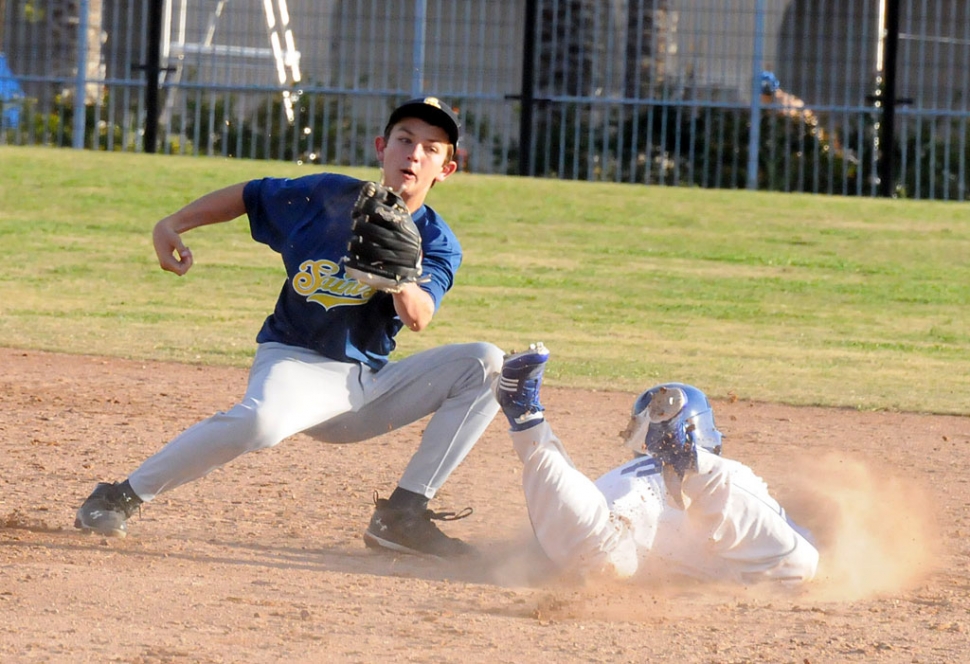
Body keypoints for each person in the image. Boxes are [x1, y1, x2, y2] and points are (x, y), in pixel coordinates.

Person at [74, 96, 505, 558]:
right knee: (261, 420)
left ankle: (403, 516)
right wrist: (173, 223)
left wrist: (397, 276)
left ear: (446, 168)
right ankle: (118, 496)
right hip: (294, 362)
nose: (414, 154)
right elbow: (251, 194)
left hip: (367, 386)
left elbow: (418, 317)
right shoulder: (326, 197)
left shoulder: (437, 241)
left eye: (431, 147)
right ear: (382, 148)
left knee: (487, 364)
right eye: (404, 140)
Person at [494, 342, 819, 584]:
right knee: (800, 564)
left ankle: (528, 419)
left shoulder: (618, 474)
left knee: (587, 539)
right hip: (706, 543)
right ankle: (688, 463)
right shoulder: (736, 471)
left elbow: (548, 530)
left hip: (611, 546)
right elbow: (787, 533)